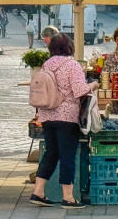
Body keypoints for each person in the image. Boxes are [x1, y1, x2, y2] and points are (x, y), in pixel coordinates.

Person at [30, 34, 97, 209]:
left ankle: (38, 192)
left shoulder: (46, 64)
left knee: (51, 153)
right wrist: (93, 85)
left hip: (47, 115)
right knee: (67, 155)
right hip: (66, 117)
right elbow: (79, 90)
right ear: (69, 47)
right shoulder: (72, 65)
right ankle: (68, 198)